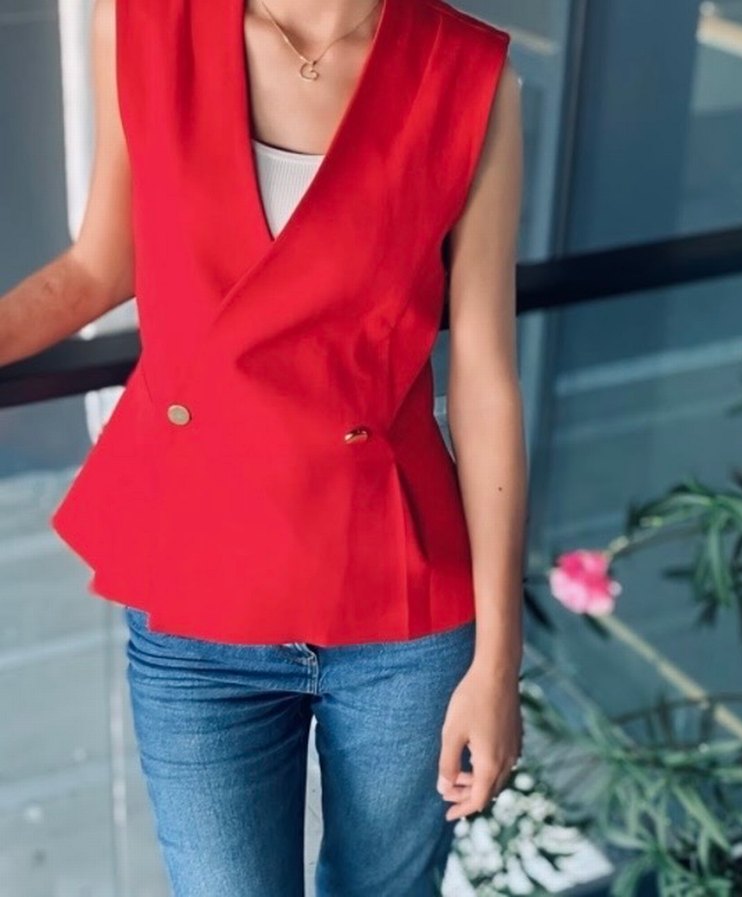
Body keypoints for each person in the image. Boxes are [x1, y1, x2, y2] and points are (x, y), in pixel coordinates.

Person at [0, 0, 526, 893]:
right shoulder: (140, 24)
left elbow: (483, 381)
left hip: (400, 607)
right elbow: (99, 266)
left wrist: (497, 660)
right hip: (197, 599)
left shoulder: (470, 76)